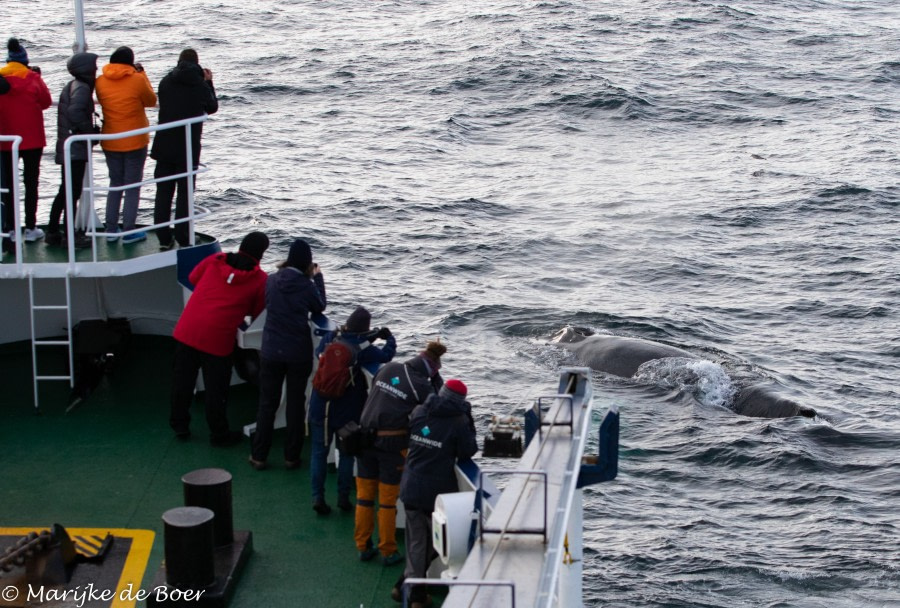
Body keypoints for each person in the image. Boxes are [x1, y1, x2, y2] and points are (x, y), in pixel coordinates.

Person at [169, 231, 269, 445]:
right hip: (217, 339)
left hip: (188, 329)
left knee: (182, 381)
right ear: (261, 253)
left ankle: (179, 425)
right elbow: (258, 311)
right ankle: (219, 434)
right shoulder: (259, 279)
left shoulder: (216, 260)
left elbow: (194, 278)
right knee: (216, 390)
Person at [355, 339, 447, 566]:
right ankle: (387, 550)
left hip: (363, 437)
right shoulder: (421, 385)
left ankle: (363, 545)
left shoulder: (389, 368)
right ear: (432, 368)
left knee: (364, 497)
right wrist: (436, 384)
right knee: (386, 501)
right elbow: (437, 408)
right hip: (390, 445)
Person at [392, 379, 477, 608]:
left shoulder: (420, 411)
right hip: (437, 494)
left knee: (418, 543)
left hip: (411, 486)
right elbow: (468, 450)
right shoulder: (458, 421)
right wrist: (468, 418)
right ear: (461, 401)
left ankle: (404, 586)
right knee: (436, 544)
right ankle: (416, 597)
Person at [307, 306, 397, 515]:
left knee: (319, 452)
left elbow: (319, 351)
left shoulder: (332, 337)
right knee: (346, 453)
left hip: (320, 404)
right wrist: (389, 337)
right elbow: (386, 356)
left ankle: (317, 497)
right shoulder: (363, 350)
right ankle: (343, 498)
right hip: (347, 410)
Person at [250, 239, 326, 469]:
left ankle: (259, 455)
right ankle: (291, 457)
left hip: (271, 350)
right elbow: (320, 306)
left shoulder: (272, 280)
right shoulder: (306, 285)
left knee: (267, 403)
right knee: (295, 404)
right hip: (297, 353)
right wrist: (318, 277)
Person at [151, 48, 218, 251]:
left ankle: (163, 237)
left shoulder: (166, 81)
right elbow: (212, 106)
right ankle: (183, 235)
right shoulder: (199, 84)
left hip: (164, 144)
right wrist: (209, 82)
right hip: (187, 146)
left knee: (163, 191)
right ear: (198, 64)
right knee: (185, 193)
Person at [95, 46, 157, 244]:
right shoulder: (137, 79)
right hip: (135, 140)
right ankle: (129, 230)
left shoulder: (100, 81)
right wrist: (142, 74)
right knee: (132, 187)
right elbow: (150, 100)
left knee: (115, 185)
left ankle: (111, 229)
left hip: (110, 140)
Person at [0, 38, 52, 252]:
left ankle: (11, 229)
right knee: (31, 184)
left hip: (5, 141)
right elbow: (46, 102)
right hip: (32, 140)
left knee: (8, 187)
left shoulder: (1, 80)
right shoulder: (33, 79)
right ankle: (31, 228)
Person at [44, 52, 99, 249]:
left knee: (65, 191)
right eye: (94, 66)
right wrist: (88, 132)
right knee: (71, 192)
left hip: (69, 147)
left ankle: (52, 231)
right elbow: (74, 111)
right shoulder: (82, 88)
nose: (96, 70)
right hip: (74, 148)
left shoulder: (74, 86)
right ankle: (69, 235)